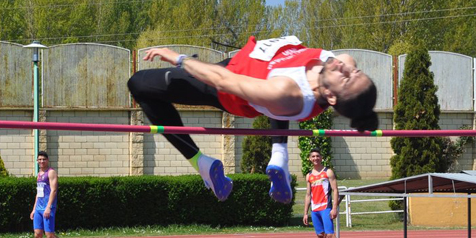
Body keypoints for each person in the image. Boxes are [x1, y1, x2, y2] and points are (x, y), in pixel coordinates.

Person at [129, 35, 378, 204]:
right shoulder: (340, 65)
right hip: (247, 66)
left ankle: (201, 163)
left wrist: (180, 58)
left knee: (139, 84)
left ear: (332, 96)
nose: (346, 67)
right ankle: (279, 155)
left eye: (347, 78)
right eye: (356, 71)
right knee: (277, 101)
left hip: (227, 86)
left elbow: (223, 80)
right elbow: (345, 62)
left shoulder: (286, 92)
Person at [23, 151, 75, 238]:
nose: (41, 161)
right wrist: (34, 209)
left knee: (50, 235)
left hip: (48, 208)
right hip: (38, 209)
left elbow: (54, 191)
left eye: (43, 159)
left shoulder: (51, 173)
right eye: (39, 159)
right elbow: (38, 193)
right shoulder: (39, 174)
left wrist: (48, 207)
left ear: (47, 160)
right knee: (37, 234)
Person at [302, 148, 350, 238]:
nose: (315, 158)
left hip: (325, 208)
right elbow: (308, 194)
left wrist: (334, 208)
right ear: (310, 159)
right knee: (320, 237)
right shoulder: (309, 176)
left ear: (321, 157)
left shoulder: (328, 172)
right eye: (313, 156)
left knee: (330, 235)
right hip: (315, 210)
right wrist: (305, 213)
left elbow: (335, 190)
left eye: (317, 156)